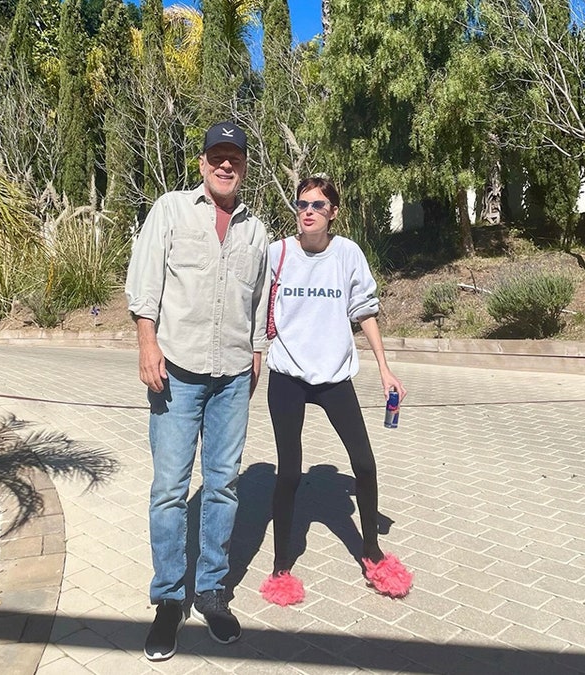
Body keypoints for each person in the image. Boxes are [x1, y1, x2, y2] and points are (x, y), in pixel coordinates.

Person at [124, 121, 269, 658]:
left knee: (224, 485)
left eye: (234, 156)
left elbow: (258, 301)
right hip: (177, 371)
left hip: (233, 374)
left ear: (244, 164)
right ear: (203, 162)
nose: (225, 164)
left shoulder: (256, 230)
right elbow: (144, 283)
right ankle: (167, 598)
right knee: (169, 489)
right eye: (217, 155)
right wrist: (147, 346)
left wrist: (257, 354)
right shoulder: (170, 210)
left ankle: (211, 590)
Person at [257, 176, 413, 606]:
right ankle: (280, 568)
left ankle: (372, 552)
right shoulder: (278, 253)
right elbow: (253, 307)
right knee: (288, 473)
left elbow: (364, 311)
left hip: (334, 378)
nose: (308, 211)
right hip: (287, 376)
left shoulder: (347, 254)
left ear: (333, 213)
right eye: (302, 203)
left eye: (319, 205)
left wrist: (385, 369)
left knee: (364, 464)